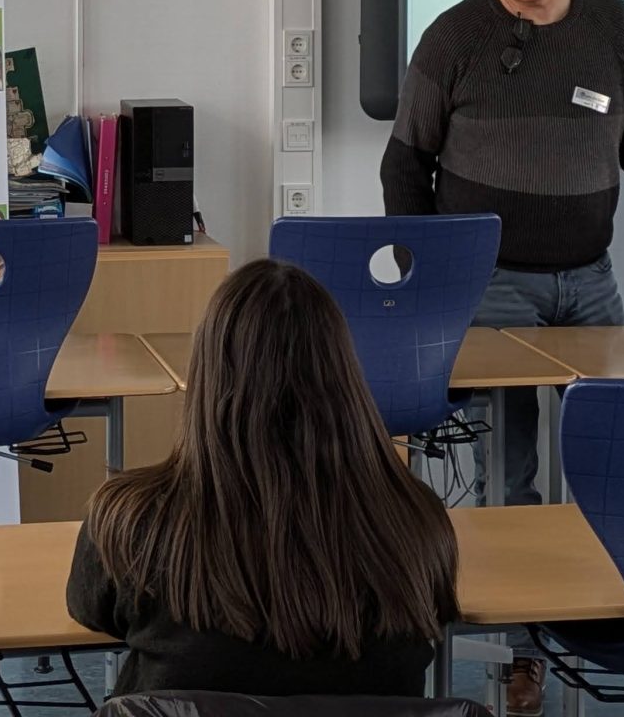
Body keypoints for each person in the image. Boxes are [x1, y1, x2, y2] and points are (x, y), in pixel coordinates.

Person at [380, 0, 624, 712]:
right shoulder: (454, 37)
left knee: (623, 458)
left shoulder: (611, 23)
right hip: (493, 288)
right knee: (511, 474)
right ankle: (524, 656)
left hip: (592, 281)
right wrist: (426, 279)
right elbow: (405, 163)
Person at [68, 258, 456, 699]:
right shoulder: (416, 518)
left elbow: (90, 609)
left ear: (209, 373)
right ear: (345, 371)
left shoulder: (131, 521)